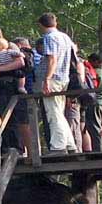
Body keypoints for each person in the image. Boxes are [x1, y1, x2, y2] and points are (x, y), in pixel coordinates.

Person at [34, 13, 78, 154]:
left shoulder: (49, 38)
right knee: (58, 111)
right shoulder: (65, 37)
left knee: (53, 112)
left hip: (53, 77)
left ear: (41, 25)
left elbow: (52, 59)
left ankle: (58, 146)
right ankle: (70, 144)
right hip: (64, 77)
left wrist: (47, 78)